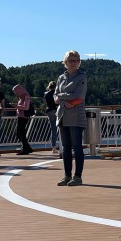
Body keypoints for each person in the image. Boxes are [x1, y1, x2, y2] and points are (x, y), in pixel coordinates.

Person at [55, 50, 87, 186]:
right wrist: (63, 98)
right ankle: (67, 176)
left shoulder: (81, 77)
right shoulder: (61, 78)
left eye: (76, 60)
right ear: (65, 62)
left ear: (79, 62)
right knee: (66, 148)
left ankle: (77, 176)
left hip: (76, 117)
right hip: (62, 116)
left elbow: (78, 96)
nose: (73, 63)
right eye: (70, 60)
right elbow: (55, 95)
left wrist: (61, 97)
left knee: (77, 147)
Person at [12, 84, 34, 155]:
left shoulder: (26, 96)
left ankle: (25, 148)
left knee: (20, 133)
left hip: (23, 117)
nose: (15, 93)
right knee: (20, 133)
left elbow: (26, 107)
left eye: (16, 91)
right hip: (20, 116)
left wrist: (17, 106)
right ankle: (27, 147)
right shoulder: (21, 97)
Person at [44, 80, 59, 155]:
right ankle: (57, 146)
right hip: (55, 111)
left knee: (53, 129)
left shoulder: (46, 94)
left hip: (49, 111)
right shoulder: (56, 94)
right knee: (59, 128)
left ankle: (53, 147)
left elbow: (47, 103)